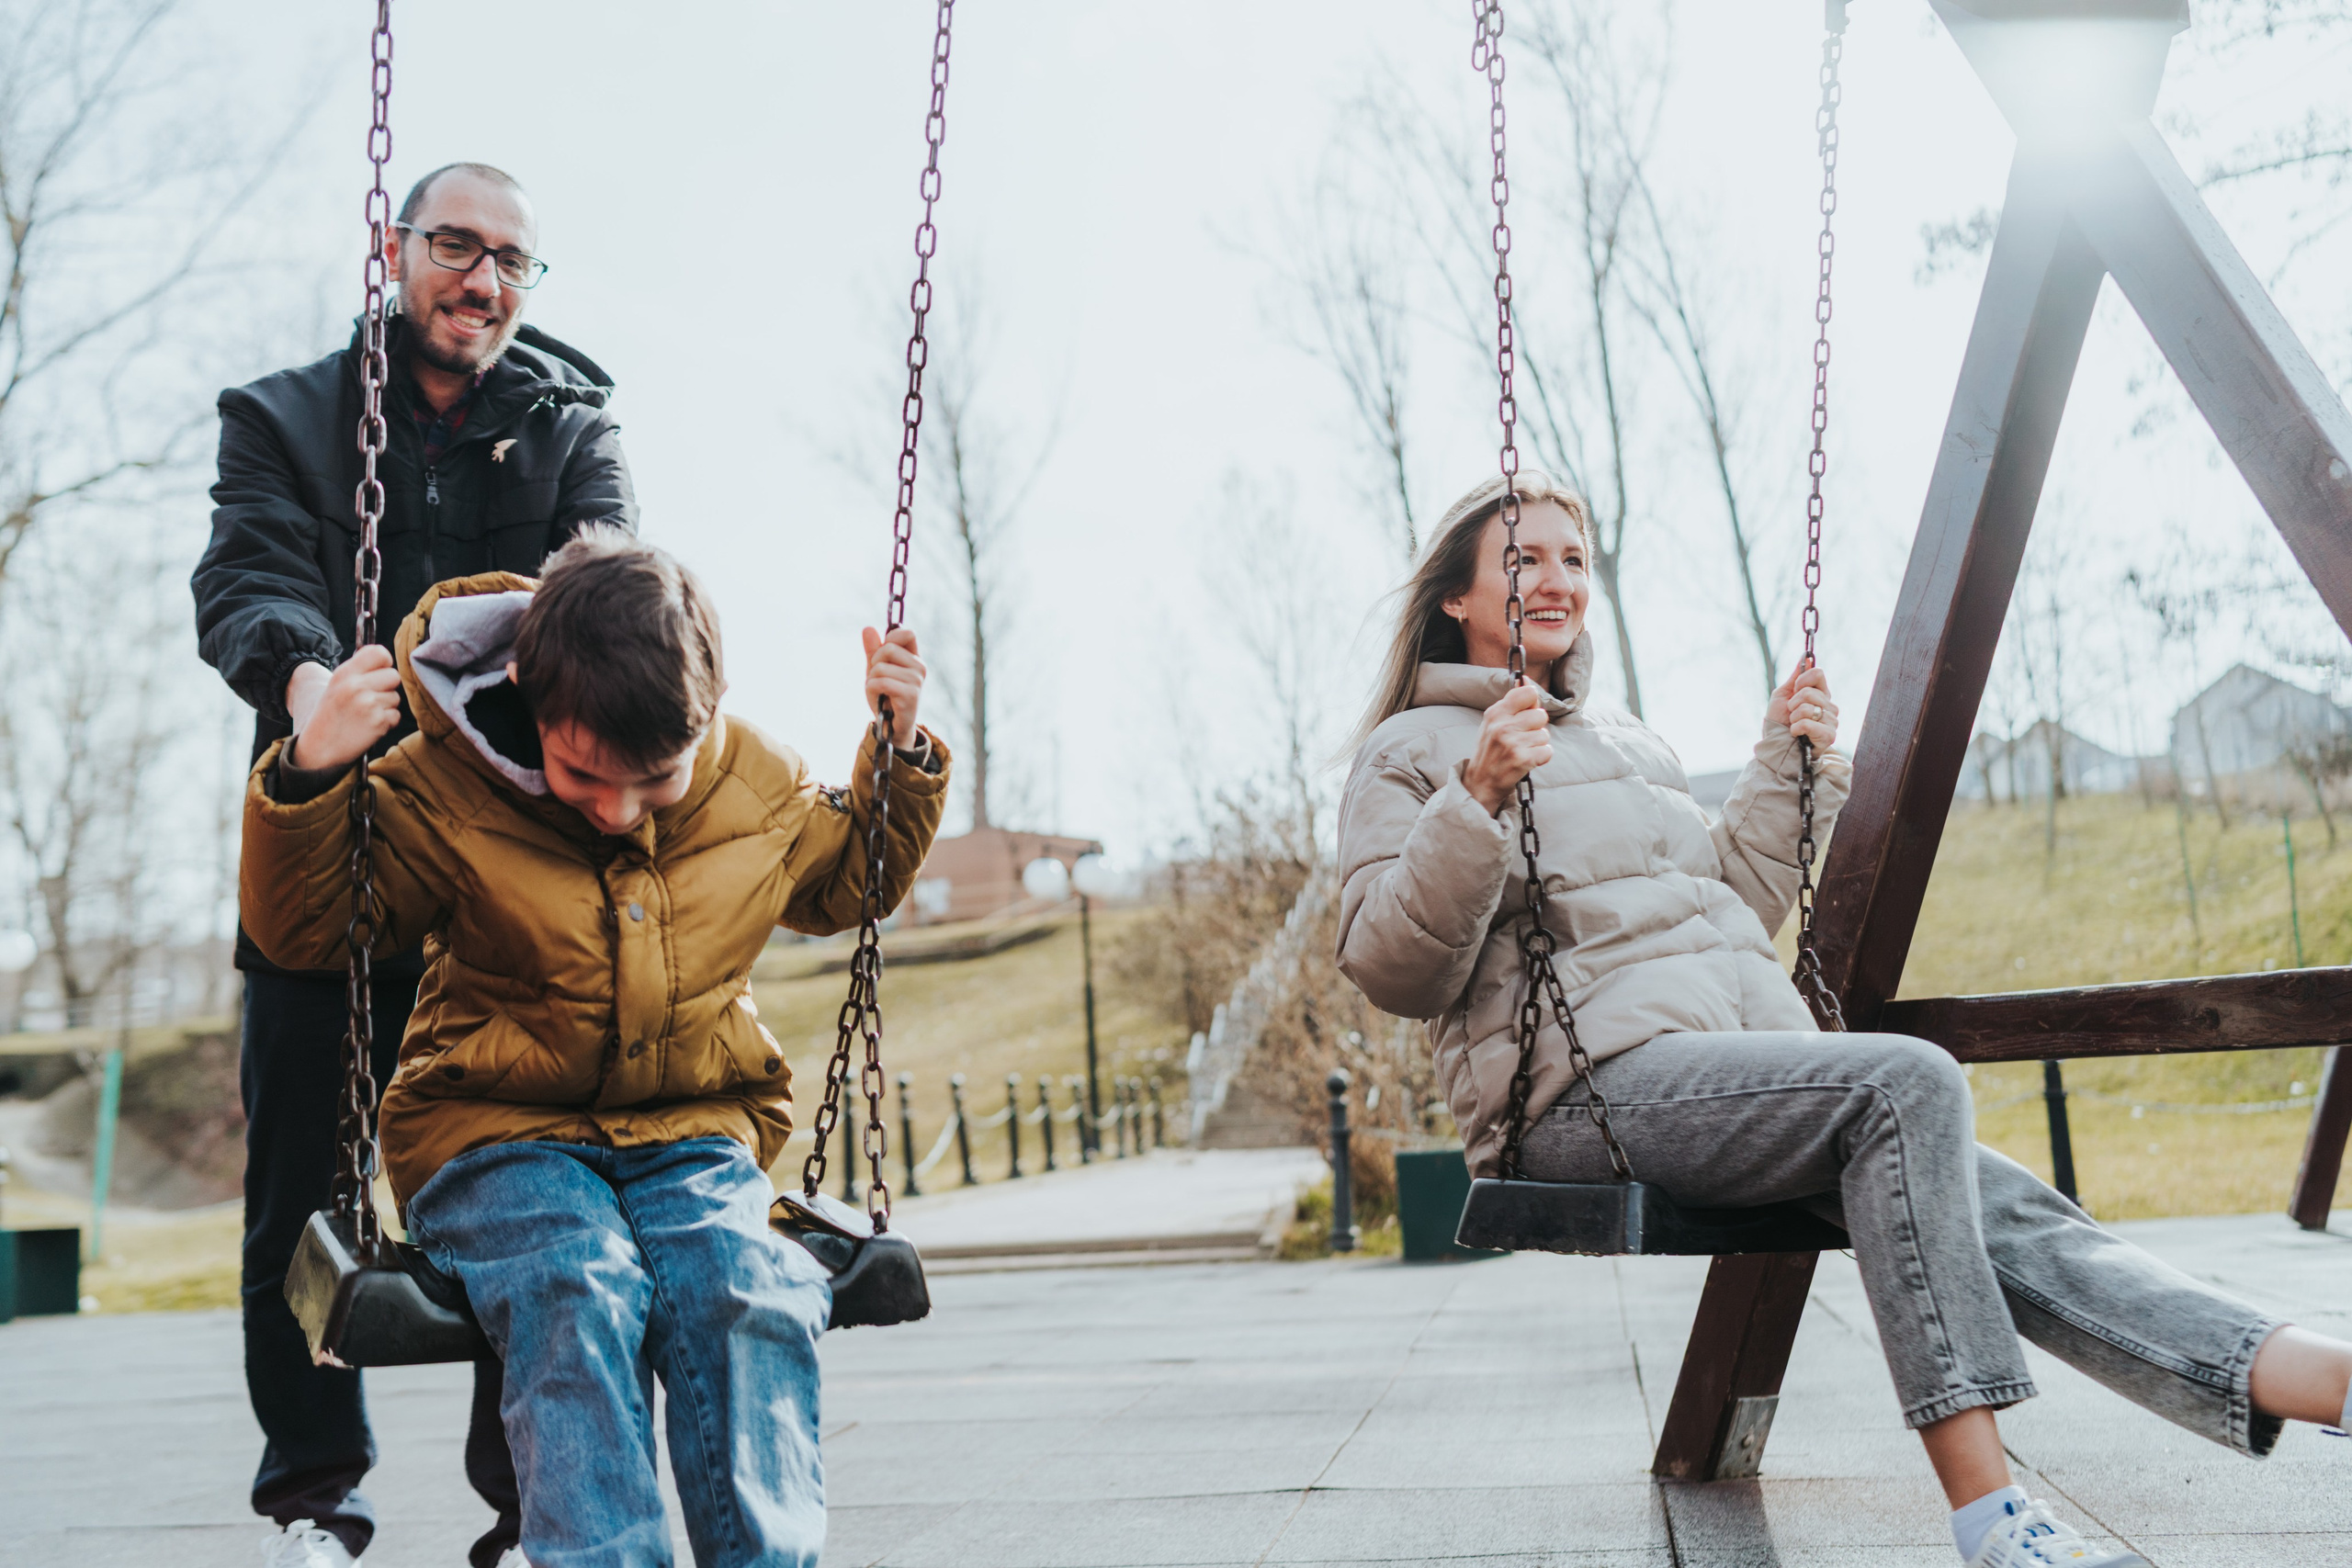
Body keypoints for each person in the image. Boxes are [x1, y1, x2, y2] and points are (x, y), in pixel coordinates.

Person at [1333, 472, 2352, 1568]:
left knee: (1994, 1200)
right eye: (1524, 559)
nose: (1557, 580)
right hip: (1580, 1100)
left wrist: (1785, 765)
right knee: (1904, 1085)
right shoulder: (1412, 753)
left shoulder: (1630, 743)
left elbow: (1722, 909)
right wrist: (1475, 797)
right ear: (1457, 597)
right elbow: (1393, 966)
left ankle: (2310, 1371)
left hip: (1708, 1075)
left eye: (1574, 560)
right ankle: (1991, 1520)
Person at [238, 529, 949, 1568]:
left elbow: (854, 880)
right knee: (579, 1288)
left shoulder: (754, 783)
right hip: (496, 1136)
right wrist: (313, 770)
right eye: (583, 774)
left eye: (652, 781)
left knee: (744, 1286)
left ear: (704, 717)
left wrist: (899, 752)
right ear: (528, 693)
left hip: (691, 1127)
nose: (617, 810)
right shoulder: (444, 784)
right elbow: (309, 932)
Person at [190, 162, 635, 1568]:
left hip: (504, 867)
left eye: (512, 260)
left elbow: (610, 585)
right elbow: (246, 577)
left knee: (526, 1174)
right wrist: (312, 684)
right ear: (399, 248)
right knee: (299, 1198)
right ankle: (317, 1497)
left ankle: (529, 1504)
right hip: (330, 833)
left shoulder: (572, 429)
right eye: (456, 245)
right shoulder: (284, 417)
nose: (483, 279)